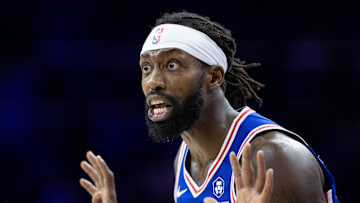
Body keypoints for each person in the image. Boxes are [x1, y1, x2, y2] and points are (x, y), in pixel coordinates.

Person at [79, 11, 339, 203]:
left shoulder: (275, 158)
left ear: (213, 77)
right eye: (146, 68)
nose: (154, 82)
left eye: (172, 65)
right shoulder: (184, 158)